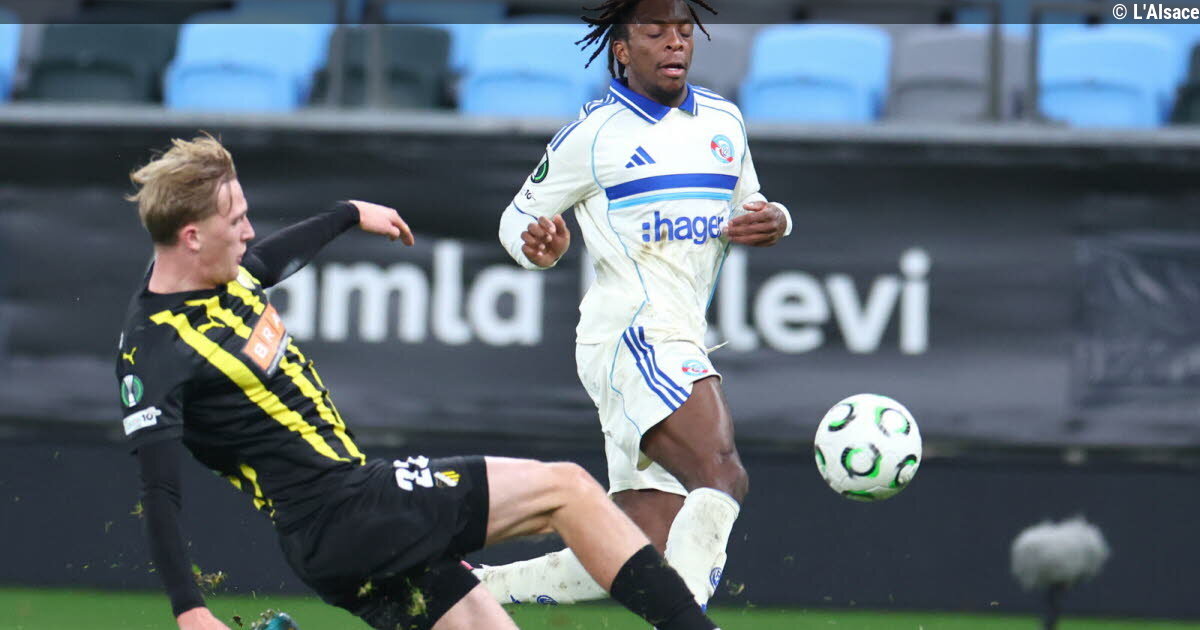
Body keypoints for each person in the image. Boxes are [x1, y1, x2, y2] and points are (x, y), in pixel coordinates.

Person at [116, 134, 727, 630]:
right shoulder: (156, 352)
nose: (248, 231)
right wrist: (190, 609)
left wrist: (347, 214)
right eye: (236, 220)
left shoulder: (220, 277)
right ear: (192, 237)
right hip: (347, 512)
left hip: (337, 542)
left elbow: (267, 261)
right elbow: (158, 491)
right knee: (566, 489)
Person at [485, 0, 792, 610]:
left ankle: (472, 587)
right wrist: (538, 247)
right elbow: (516, 218)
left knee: (636, 542)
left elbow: (752, 203)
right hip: (632, 333)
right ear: (623, 50)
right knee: (722, 471)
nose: (675, 43)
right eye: (655, 32)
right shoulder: (594, 134)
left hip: (680, 331)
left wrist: (777, 220)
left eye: (684, 31)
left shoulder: (725, 121)